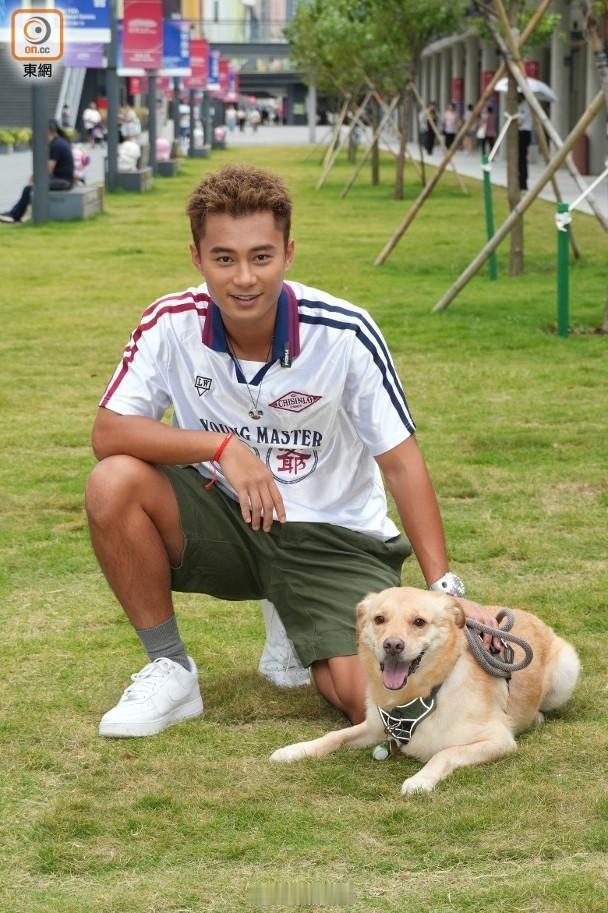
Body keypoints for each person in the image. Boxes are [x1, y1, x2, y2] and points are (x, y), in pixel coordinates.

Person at [86, 163, 496, 739]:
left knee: (378, 710)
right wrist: (222, 446)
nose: (244, 278)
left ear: (288, 253)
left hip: (332, 537)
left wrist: (444, 590)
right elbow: (108, 432)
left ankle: (296, 621)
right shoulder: (171, 322)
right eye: (224, 258)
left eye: (261, 256)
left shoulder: (344, 332)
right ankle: (170, 667)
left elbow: (401, 463)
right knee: (113, 482)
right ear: (197, 258)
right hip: (226, 519)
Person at [0, 119, 74, 224]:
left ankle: (15, 215)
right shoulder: (59, 142)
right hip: (63, 179)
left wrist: (35, 177)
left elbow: (48, 169)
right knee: (30, 188)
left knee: (29, 189)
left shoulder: (56, 145)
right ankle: (14, 213)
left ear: (47, 132)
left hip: (63, 181)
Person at [517, 91, 533, 191]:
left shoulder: (525, 106)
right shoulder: (520, 106)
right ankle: (520, 181)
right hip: (521, 132)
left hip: (524, 132)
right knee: (520, 158)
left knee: (522, 158)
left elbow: (520, 120)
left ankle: (523, 182)